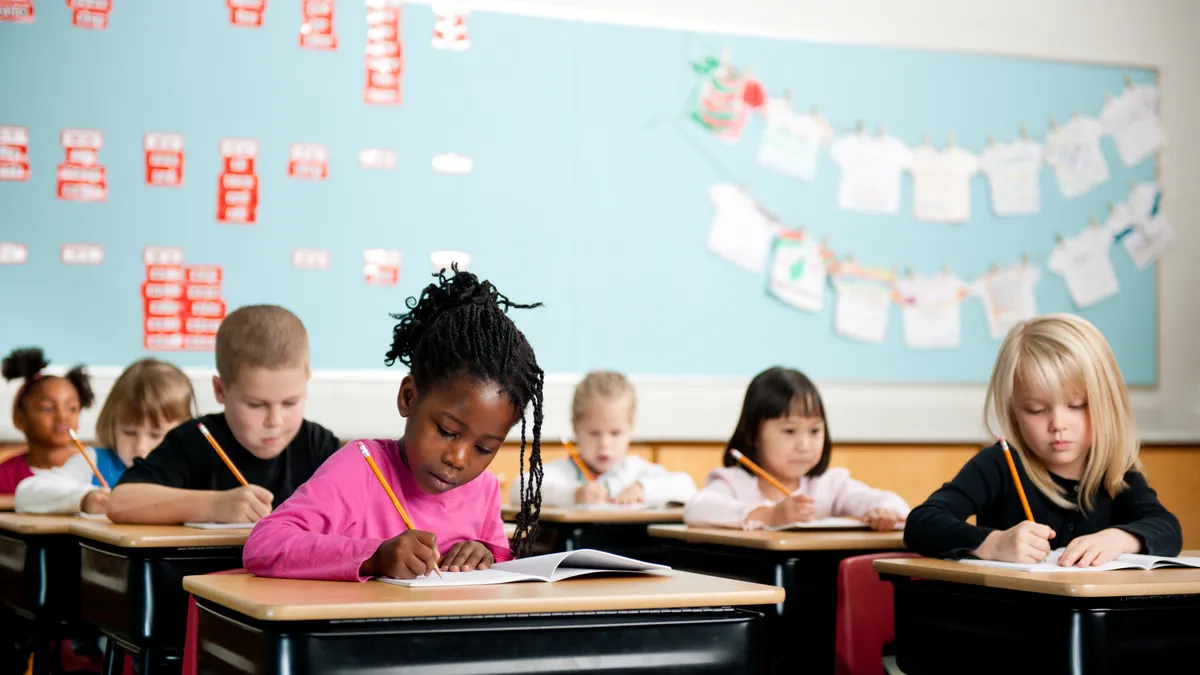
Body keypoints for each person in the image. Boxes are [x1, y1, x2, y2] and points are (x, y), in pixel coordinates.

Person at [242, 267, 546, 581]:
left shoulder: (483, 489)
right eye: (446, 431)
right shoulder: (360, 468)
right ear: (409, 397)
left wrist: (485, 554)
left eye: (484, 448)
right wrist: (375, 557)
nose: (458, 458)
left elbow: (496, 566)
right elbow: (264, 544)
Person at [904, 314, 1182, 566]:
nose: (1058, 425)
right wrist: (993, 544)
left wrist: (1120, 539)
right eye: (1037, 410)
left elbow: (1167, 528)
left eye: (1076, 405)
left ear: (1106, 402)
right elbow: (922, 523)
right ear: (1013, 411)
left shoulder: (1116, 472)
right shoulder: (998, 464)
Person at [106, 305, 340, 524]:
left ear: (306, 381)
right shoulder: (194, 441)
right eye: (256, 405)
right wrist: (216, 505)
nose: (274, 421)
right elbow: (120, 502)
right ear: (220, 390)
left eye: (290, 402)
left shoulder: (318, 446)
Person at [684, 366, 908, 531]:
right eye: (790, 431)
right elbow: (697, 509)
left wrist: (883, 512)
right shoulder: (733, 482)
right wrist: (771, 515)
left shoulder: (829, 485)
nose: (805, 445)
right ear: (752, 434)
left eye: (814, 431)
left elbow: (894, 503)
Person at [15, 358, 196, 514]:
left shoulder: (192, 468)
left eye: (156, 435)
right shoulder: (93, 463)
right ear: (112, 423)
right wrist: (84, 498)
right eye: (129, 432)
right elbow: (27, 492)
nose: (141, 447)